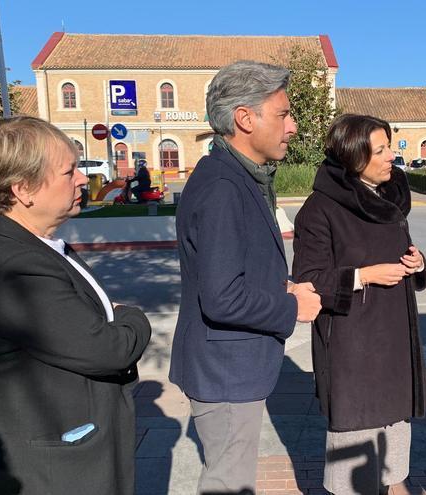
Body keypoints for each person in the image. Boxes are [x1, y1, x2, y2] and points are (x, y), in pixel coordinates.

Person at [0, 116, 152, 495]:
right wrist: (132, 315)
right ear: (24, 189)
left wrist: (112, 317)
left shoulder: (38, 248)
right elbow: (109, 349)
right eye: (69, 172)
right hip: (52, 473)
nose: (82, 179)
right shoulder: (17, 269)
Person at [168, 60, 321, 494]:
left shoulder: (240, 177)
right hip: (225, 371)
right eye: (284, 114)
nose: (292, 126)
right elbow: (221, 298)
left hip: (228, 366)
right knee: (228, 484)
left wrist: (280, 286)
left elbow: (228, 271)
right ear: (245, 118)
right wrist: (292, 305)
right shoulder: (223, 186)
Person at [292, 114, 426, 495]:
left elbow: (402, 256)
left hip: (395, 348)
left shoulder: (387, 198)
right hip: (353, 351)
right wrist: (364, 276)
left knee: (391, 461)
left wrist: (417, 264)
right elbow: (308, 279)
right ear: (354, 157)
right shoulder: (319, 209)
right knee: (352, 470)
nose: (392, 157)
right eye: (381, 150)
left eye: (390, 147)